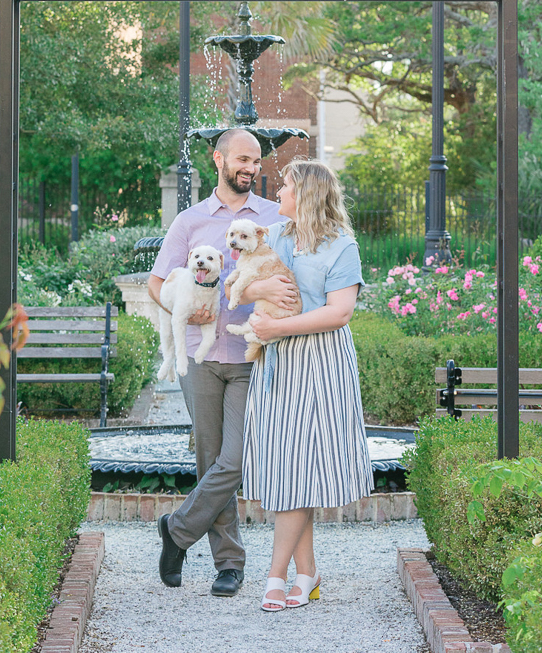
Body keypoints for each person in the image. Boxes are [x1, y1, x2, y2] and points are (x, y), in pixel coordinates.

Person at [147, 128, 296, 597]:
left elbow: (296, 275)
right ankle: (229, 564)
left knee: (235, 459)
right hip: (201, 355)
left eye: (256, 160)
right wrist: (183, 309)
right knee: (210, 458)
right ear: (218, 159)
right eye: (243, 159)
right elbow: (156, 283)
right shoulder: (190, 221)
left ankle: (176, 531)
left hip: (256, 355)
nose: (251, 167)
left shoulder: (275, 218)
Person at [239, 158, 374, 612]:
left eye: (285, 185)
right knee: (291, 470)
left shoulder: (342, 247)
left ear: (307, 195)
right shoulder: (273, 236)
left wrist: (279, 327)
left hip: (319, 363)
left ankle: (276, 577)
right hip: (276, 364)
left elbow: (339, 313)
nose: (277, 191)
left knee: (299, 470)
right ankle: (307, 573)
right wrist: (260, 298)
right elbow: (233, 288)